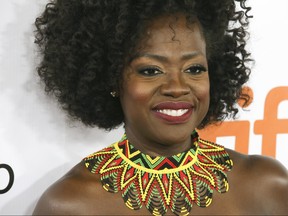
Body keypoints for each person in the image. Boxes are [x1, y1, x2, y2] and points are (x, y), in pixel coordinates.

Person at [32, 0, 288, 215]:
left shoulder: (267, 185)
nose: (177, 87)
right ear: (112, 80)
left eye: (194, 69)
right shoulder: (70, 205)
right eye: (151, 70)